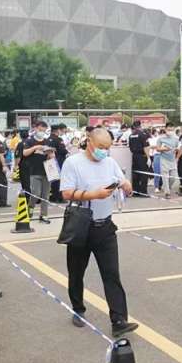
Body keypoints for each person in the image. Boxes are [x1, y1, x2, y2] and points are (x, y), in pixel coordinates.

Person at [60, 128, 138, 337]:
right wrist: (93, 194)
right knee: (76, 272)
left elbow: (122, 182)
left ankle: (119, 319)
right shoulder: (73, 163)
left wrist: (126, 185)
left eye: (108, 148)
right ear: (89, 142)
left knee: (112, 274)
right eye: (101, 148)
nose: (105, 152)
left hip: (105, 227)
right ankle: (78, 308)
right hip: (81, 226)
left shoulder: (110, 163)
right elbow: (66, 193)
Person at [23, 121, 54, 224]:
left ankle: (44, 215)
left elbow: (52, 156)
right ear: (35, 128)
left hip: (46, 172)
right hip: (34, 171)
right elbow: (25, 153)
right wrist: (36, 148)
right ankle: (30, 210)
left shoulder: (47, 141)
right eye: (40, 130)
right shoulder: (29, 141)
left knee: (45, 195)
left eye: (44, 131)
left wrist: (50, 153)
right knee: (35, 193)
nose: (41, 132)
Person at [156, 122, 180, 198]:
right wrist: (164, 149)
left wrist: (176, 150)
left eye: (172, 130)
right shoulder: (160, 138)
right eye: (169, 130)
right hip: (164, 159)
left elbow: (178, 148)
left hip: (172, 159)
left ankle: (167, 187)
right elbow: (157, 148)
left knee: (173, 177)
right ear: (165, 129)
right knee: (165, 177)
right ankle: (167, 193)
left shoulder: (176, 138)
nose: (170, 132)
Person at [128, 120, 151, 198]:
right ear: (140, 126)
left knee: (135, 174)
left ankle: (135, 192)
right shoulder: (143, 134)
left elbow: (130, 148)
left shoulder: (131, 135)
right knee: (144, 174)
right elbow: (146, 147)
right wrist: (148, 158)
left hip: (134, 156)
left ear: (134, 126)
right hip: (142, 156)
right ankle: (143, 192)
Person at [48, 124, 69, 203]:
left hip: (50, 162)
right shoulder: (58, 139)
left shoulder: (48, 139)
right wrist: (67, 151)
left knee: (53, 180)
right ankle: (59, 197)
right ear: (58, 130)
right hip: (58, 161)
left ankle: (53, 196)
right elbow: (62, 150)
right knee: (59, 181)